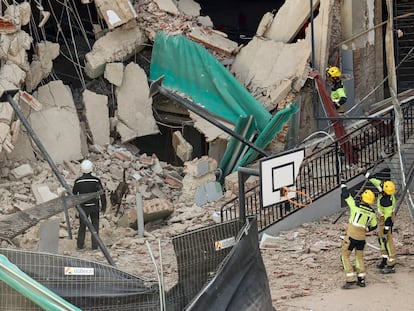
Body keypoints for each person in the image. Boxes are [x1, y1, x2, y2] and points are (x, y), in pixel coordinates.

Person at [340, 183, 377, 289]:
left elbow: (346, 195)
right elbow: (374, 226)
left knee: (345, 256)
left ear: (362, 198)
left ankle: (350, 278)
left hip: (351, 236)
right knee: (359, 257)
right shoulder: (372, 213)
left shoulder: (355, 207)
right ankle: (361, 278)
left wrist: (343, 185)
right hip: (361, 238)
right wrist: (366, 229)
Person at [73, 159, 107, 250]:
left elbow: (74, 195)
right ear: (91, 168)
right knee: (95, 226)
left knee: (82, 226)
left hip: (83, 208)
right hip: (94, 207)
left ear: (82, 169)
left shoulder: (78, 181)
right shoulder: (96, 180)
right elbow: (102, 194)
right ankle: (94, 246)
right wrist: (104, 206)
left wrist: (77, 207)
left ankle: (80, 245)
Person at [367, 173, 397, 274]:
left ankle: (391, 263)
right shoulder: (384, 188)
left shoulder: (388, 203)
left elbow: (388, 219)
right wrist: (366, 174)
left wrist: (386, 229)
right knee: (381, 239)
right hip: (381, 218)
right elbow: (375, 180)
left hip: (386, 219)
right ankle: (384, 258)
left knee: (387, 239)